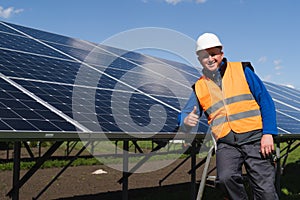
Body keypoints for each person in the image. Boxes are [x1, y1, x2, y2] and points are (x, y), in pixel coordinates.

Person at [178, 33, 279, 199]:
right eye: (205, 56)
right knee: (225, 179)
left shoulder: (242, 70)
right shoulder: (200, 86)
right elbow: (185, 114)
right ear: (199, 59)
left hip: (255, 138)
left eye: (213, 54)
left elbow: (266, 101)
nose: (210, 59)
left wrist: (268, 133)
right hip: (226, 143)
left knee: (266, 191)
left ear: (221, 54)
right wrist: (186, 120)